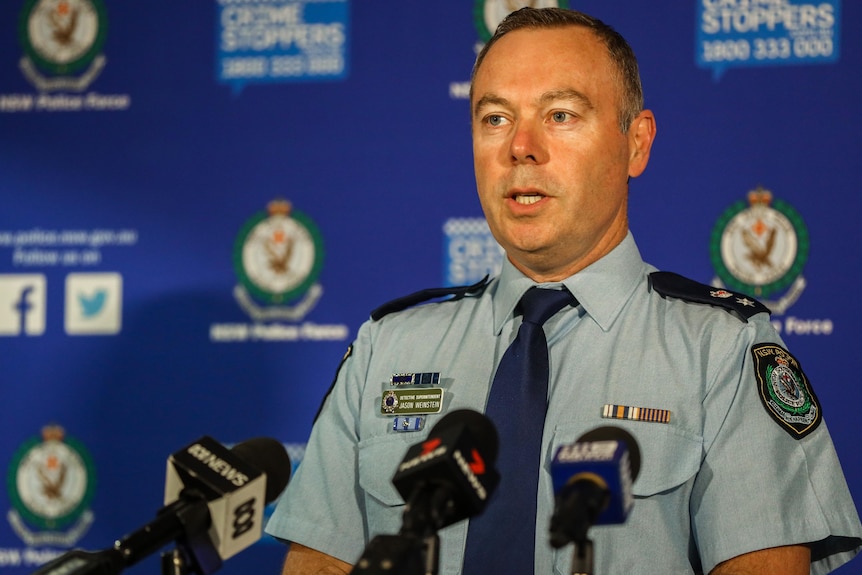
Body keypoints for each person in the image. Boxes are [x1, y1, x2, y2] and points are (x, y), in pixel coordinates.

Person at [265, 7, 862, 574]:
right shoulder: (385, 348)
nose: (521, 147)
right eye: (495, 118)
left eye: (560, 116)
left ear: (636, 143)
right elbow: (319, 561)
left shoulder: (721, 348)